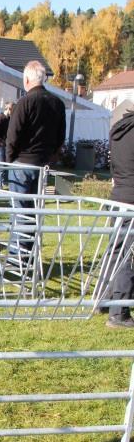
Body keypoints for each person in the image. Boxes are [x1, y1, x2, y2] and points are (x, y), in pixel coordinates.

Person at [6, 61, 66, 197]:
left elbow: (12, 135)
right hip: (43, 163)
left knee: (19, 210)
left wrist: (10, 160)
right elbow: (61, 136)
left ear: (26, 80)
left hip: (22, 162)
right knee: (36, 210)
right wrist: (52, 157)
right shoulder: (58, 104)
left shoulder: (24, 102)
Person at [103, 109, 134, 328]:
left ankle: (105, 299)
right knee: (126, 256)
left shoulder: (119, 129)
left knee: (115, 251)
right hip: (131, 196)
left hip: (119, 195)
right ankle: (119, 311)